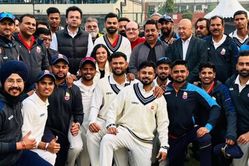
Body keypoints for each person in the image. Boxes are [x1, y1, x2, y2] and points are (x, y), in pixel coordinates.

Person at [100, 61, 169, 166]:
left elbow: (163, 124)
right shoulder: (128, 90)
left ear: (154, 75)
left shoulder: (159, 97)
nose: (146, 75)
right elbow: (113, 108)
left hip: (144, 141)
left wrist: (164, 145)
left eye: (150, 73)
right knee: (107, 140)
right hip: (126, 132)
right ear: (138, 74)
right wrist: (111, 124)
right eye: (144, 73)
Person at [164, 60, 220, 166]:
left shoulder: (195, 90)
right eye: (176, 72)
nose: (179, 74)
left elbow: (215, 107)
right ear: (171, 73)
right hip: (171, 136)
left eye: (182, 71)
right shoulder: (164, 90)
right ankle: (183, 154)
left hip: (190, 131)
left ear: (187, 73)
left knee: (205, 138)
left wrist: (207, 127)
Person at [0, 60, 51, 166]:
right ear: (3, 82)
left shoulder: (16, 101)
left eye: (19, 81)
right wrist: (20, 145)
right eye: (10, 81)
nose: (15, 85)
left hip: (18, 156)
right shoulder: (2, 108)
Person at [87, 52, 133, 166]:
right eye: (115, 63)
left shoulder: (134, 84)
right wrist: (92, 121)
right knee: (91, 133)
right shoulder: (102, 82)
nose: (118, 66)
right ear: (111, 65)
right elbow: (94, 105)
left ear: (126, 64)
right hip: (103, 121)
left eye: (121, 63)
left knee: (122, 162)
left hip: (123, 125)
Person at [44, 54, 83, 166]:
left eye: (64, 67)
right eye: (57, 66)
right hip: (45, 132)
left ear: (68, 69)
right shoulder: (44, 87)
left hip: (63, 133)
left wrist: (77, 124)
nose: (60, 70)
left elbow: (79, 113)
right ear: (51, 67)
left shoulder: (74, 89)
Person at [198, 62, 237, 166]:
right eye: (204, 73)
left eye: (210, 73)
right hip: (202, 130)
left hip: (219, 130)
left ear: (214, 75)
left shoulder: (222, 89)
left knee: (219, 159)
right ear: (199, 75)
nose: (206, 76)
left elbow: (230, 111)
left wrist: (231, 133)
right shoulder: (195, 89)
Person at [21, 70, 60, 165]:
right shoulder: (29, 105)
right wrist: (46, 146)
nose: (47, 87)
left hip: (36, 148)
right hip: (25, 150)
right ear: (36, 85)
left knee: (52, 155)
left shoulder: (44, 102)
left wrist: (50, 141)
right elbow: (25, 138)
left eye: (50, 84)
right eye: (43, 83)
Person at [50, 6, 94, 75]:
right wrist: (67, 74)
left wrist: (80, 72)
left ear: (80, 20)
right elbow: (54, 56)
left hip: (82, 75)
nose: (74, 19)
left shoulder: (87, 36)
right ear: (66, 20)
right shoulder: (57, 35)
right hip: (62, 75)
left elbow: (89, 57)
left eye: (77, 17)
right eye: (71, 17)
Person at [166, 18, 208, 83]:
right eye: (179, 29)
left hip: (194, 82)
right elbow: (169, 63)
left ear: (191, 30)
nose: (181, 31)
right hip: (176, 81)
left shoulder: (201, 44)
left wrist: (187, 79)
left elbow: (202, 63)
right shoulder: (173, 44)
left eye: (183, 28)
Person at [14, 14, 50, 91]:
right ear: (19, 25)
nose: (31, 26)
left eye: (33, 25)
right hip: (17, 88)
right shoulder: (13, 42)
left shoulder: (40, 44)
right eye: (27, 23)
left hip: (36, 89)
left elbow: (46, 66)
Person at [226, 50, 249, 166]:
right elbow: (229, 112)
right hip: (237, 135)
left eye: (248, 64)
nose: (244, 67)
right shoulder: (229, 83)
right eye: (241, 64)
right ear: (236, 66)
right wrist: (231, 134)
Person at [73, 57, 97, 166]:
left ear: (95, 71)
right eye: (85, 69)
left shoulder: (100, 85)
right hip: (78, 125)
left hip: (93, 126)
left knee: (87, 161)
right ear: (80, 70)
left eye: (91, 69)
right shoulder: (74, 86)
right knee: (77, 151)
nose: (88, 71)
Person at [205, 15, 238, 83]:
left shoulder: (231, 43)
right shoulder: (204, 42)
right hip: (207, 84)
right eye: (213, 25)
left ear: (223, 27)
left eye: (218, 25)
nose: (215, 27)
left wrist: (230, 82)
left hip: (226, 84)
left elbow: (235, 66)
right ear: (209, 27)